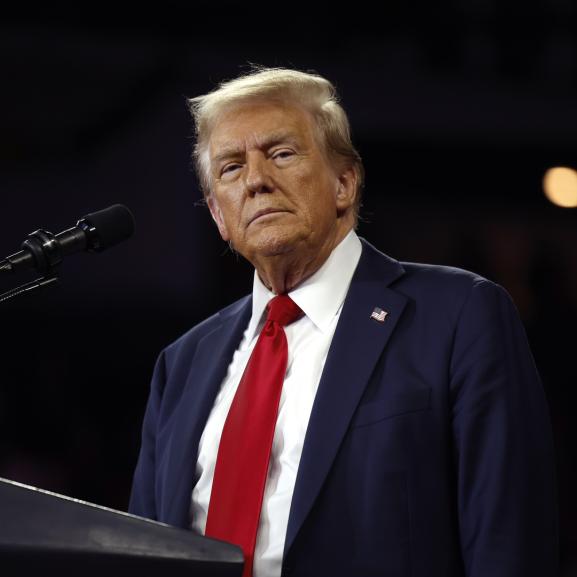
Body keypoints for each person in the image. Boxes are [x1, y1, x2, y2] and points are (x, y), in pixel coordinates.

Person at [129, 67, 558, 577]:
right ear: (220, 218)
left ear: (344, 183)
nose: (256, 180)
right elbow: (142, 552)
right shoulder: (181, 363)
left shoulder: (459, 315)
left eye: (282, 154)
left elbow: (509, 544)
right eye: (230, 168)